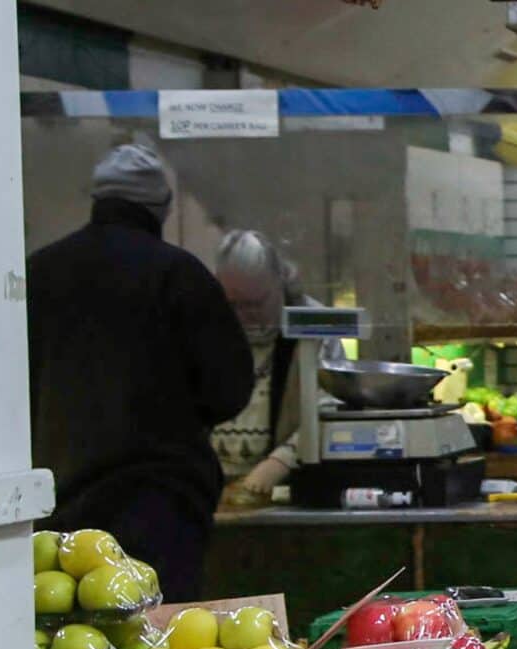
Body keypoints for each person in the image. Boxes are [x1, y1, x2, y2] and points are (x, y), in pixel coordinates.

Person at [27, 145, 253, 599]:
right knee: (156, 644)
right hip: (160, 503)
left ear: (98, 198)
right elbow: (229, 388)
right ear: (160, 209)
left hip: (56, 502)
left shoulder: (36, 274)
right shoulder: (179, 276)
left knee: (74, 645)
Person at [211, 230, 337, 508]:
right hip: (211, 491)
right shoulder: (206, 325)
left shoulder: (314, 328)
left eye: (255, 304)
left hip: (286, 491)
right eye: (234, 305)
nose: (244, 316)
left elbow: (331, 407)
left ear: (281, 284)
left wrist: (279, 462)